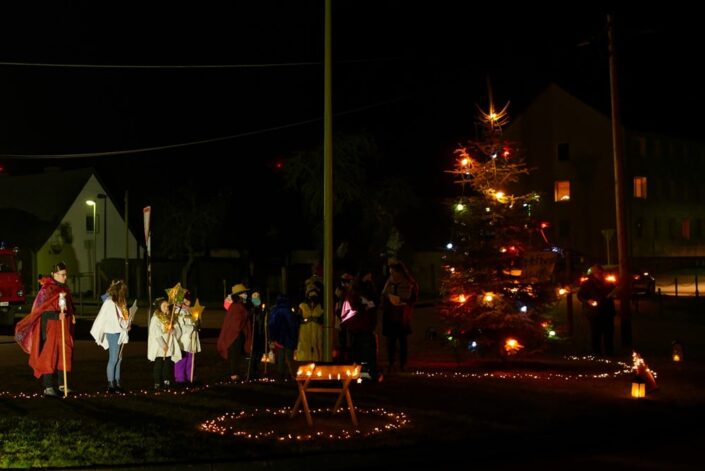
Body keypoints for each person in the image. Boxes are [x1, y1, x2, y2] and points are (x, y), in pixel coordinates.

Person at [15, 262, 76, 397]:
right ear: (54, 274)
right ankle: (48, 386)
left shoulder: (64, 289)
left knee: (64, 354)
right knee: (49, 355)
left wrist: (72, 314)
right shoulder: (46, 290)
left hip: (62, 328)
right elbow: (40, 311)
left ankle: (62, 384)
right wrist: (56, 315)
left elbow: (69, 305)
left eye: (66, 275)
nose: (65, 277)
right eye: (62, 275)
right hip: (49, 329)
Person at [89, 280, 131, 393]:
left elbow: (122, 318)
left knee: (119, 359)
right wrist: (123, 323)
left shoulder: (120, 303)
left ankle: (117, 382)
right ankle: (111, 384)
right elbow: (109, 319)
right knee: (113, 359)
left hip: (119, 332)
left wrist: (126, 325)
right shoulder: (109, 302)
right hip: (112, 332)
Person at [380, 261, 419, 374]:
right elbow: (384, 294)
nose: (391, 273)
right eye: (390, 271)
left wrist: (402, 302)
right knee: (390, 341)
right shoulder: (389, 282)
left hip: (401, 315)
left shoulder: (408, 282)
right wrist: (386, 300)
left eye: (393, 271)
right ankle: (391, 363)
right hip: (389, 314)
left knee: (402, 341)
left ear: (399, 272)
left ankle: (403, 364)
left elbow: (410, 297)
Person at [577, 264, 616, 356]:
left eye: (601, 272)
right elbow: (581, 295)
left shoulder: (608, 283)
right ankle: (596, 351)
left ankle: (609, 351)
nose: (601, 274)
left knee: (608, 332)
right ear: (594, 273)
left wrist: (614, 293)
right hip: (594, 312)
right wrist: (588, 301)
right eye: (598, 272)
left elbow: (613, 291)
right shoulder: (587, 283)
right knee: (596, 332)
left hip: (607, 311)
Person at [216, 283, 252, 381]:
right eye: (244, 293)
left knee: (237, 354)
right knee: (235, 355)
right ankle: (234, 374)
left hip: (238, 334)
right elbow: (236, 322)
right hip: (235, 335)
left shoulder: (239, 306)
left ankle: (235, 372)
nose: (246, 295)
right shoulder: (236, 307)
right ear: (239, 295)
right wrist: (246, 317)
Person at [148, 297, 182, 389]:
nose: (166, 307)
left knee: (167, 364)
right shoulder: (156, 318)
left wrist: (173, 330)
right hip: (160, 347)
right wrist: (163, 345)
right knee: (159, 364)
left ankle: (166, 380)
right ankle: (157, 382)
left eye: (167, 305)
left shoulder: (170, 317)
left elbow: (178, 330)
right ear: (159, 307)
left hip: (169, 345)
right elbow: (156, 332)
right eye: (164, 306)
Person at [267, 294, 299, 381]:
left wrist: (273, 336)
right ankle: (289, 374)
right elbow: (294, 325)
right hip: (289, 337)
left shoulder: (275, 311)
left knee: (281, 356)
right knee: (289, 357)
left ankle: (281, 374)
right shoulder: (289, 312)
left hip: (279, 337)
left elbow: (271, 324)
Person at [173, 291, 201, 386]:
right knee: (181, 359)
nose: (187, 302)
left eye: (189, 300)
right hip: (183, 339)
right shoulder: (178, 311)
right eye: (186, 299)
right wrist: (192, 328)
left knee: (191, 359)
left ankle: (190, 376)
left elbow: (196, 321)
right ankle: (180, 378)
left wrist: (197, 323)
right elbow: (180, 326)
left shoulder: (191, 310)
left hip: (192, 339)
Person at [295, 288, 324, 362]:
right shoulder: (302, 306)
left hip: (316, 331)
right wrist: (306, 320)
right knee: (304, 348)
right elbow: (298, 318)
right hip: (305, 332)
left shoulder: (320, 307)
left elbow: (323, 319)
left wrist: (317, 320)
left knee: (317, 347)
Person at [246, 291, 268, 380]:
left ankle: (256, 366)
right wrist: (253, 314)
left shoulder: (262, 309)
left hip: (261, 334)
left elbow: (264, 320)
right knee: (254, 352)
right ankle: (252, 368)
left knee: (259, 352)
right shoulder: (251, 309)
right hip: (254, 334)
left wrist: (263, 314)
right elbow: (249, 319)